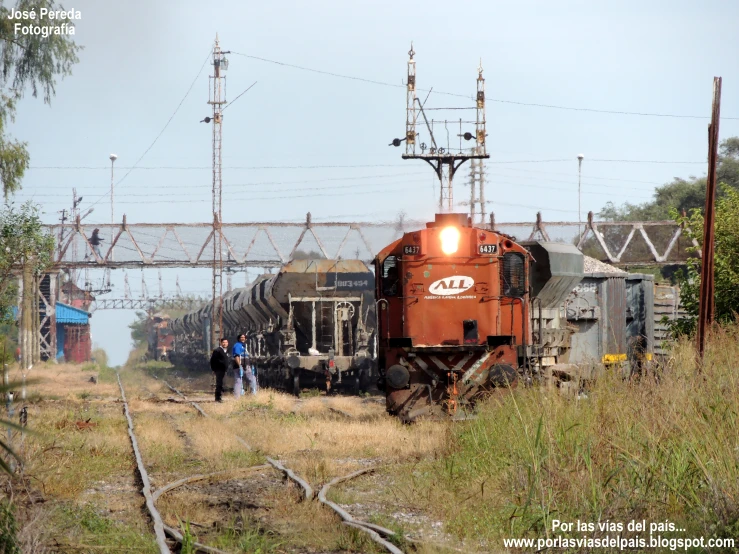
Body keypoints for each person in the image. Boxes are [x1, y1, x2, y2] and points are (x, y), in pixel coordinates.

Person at [209, 337, 230, 402]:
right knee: (219, 383)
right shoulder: (217, 350)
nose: (225, 344)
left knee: (222, 383)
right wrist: (214, 369)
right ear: (221, 343)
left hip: (224, 369)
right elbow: (212, 360)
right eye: (223, 342)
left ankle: (220, 395)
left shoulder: (227, 351)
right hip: (219, 369)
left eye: (226, 342)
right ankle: (218, 397)